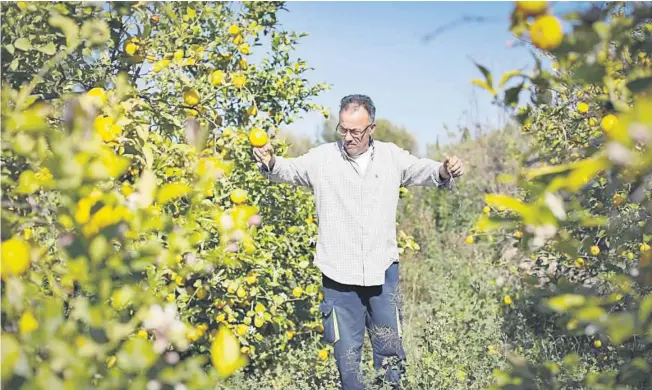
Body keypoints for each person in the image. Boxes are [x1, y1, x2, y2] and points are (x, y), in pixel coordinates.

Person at [252, 94, 464, 389]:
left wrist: (444, 170)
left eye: (355, 131)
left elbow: (423, 170)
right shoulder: (323, 158)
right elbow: (288, 170)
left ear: (371, 129)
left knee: (391, 357)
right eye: (343, 129)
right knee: (347, 362)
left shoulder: (392, 157)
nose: (348, 137)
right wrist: (270, 160)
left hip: (383, 274)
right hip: (338, 278)